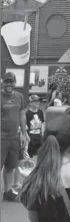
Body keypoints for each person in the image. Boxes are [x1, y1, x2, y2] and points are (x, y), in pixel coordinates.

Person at [1, 71, 30, 202]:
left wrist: (24, 133)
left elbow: (22, 115)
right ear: (2, 82)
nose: (9, 84)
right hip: (1, 138)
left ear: (14, 83)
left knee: (10, 166)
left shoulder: (19, 96)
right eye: (6, 81)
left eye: (11, 82)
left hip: (14, 137)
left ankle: (7, 192)